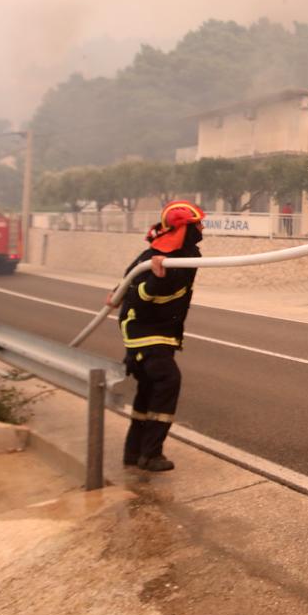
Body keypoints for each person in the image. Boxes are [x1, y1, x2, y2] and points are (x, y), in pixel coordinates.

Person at [107, 200, 205, 473]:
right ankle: (151, 454)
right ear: (185, 229)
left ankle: (133, 453)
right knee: (168, 380)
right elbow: (140, 290)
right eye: (198, 224)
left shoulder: (180, 254)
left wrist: (117, 291)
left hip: (157, 333)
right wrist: (153, 280)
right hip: (145, 333)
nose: (202, 229)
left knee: (149, 389)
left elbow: (129, 280)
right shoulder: (160, 258)